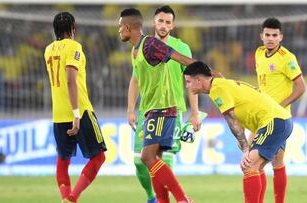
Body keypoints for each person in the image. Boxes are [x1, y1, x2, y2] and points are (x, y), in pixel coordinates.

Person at [183, 61, 293, 203]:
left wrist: (246, 147)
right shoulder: (220, 84)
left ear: (198, 80)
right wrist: (243, 141)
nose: (187, 86)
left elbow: (231, 118)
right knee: (256, 166)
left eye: (188, 81)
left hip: (273, 122)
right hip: (279, 120)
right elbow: (241, 109)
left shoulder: (217, 88)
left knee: (249, 165)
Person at [119, 8, 196, 203]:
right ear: (154, 22)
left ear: (173, 25)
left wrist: (194, 113)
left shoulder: (178, 47)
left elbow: (191, 78)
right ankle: (155, 198)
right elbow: (135, 79)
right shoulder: (138, 49)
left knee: (157, 158)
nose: (163, 25)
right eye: (160, 21)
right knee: (143, 160)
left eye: (168, 22)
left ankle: (181, 199)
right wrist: (130, 109)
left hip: (170, 108)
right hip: (148, 110)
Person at [44, 12, 107, 203]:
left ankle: (65, 199)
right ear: (73, 27)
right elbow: (71, 81)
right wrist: (77, 114)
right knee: (98, 158)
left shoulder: (48, 50)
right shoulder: (74, 47)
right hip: (79, 111)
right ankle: (72, 198)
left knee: (63, 161)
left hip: (58, 114)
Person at [254, 17, 306, 203]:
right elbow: (262, 85)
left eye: (274, 35)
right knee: (255, 165)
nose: (270, 38)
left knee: (271, 163)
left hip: (278, 118)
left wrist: (280, 106)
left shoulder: (287, 58)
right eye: (267, 35)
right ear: (261, 36)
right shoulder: (259, 54)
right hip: (260, 117)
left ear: (281, 37)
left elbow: (301, 87)